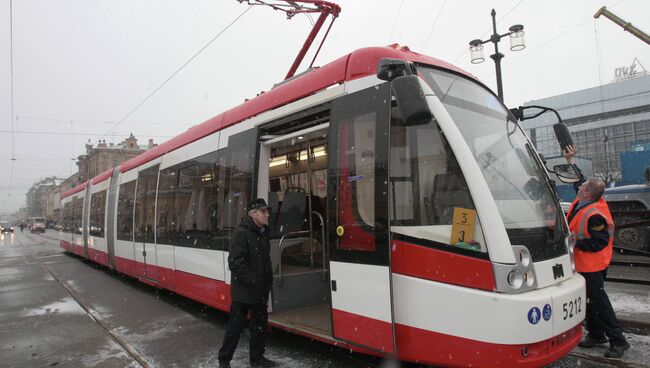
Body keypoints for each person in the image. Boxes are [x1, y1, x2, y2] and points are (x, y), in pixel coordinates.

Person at [564, 145, 630, 358]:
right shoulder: (587, 199)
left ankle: (618, 340)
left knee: (599, 301)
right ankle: (596, 334)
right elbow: (580, 179)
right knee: (589, 300)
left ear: (586, 193)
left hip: (592, 265)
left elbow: (599, 242)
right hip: (585, 264)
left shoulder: (594, 214)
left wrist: (576, 242)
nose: (579, 186)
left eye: (582, 186)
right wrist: (570, 161)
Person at [218, 198, 276, 368]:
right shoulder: (241, 233)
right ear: (254, 214)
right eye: (264, 211)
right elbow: (235, 263)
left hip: (260, 290)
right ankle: (224, 360)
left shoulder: (263, 232)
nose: (267, 215)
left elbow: (264, 260)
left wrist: (265, 281)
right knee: (235, 328)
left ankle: (257, 359)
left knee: (259, 327)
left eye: (267, 211)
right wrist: (253, 280)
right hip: (244, 292)